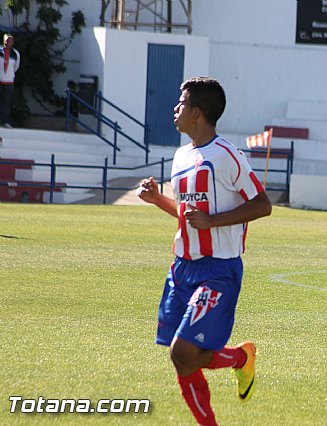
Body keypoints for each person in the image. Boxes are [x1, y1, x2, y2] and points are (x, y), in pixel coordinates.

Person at [137, 77, 272, 425]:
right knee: (182, 358)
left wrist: (213, 221)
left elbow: (262, 204)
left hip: (218, 270)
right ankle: (240, 360)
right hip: (181, 268)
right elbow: (188, 214)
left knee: (183, 350)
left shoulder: (227, 155)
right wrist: (157, 200)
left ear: (197, 112)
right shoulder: (182, 156)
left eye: (181, 104)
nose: (175, 109)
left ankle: (241, 361)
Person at [0, 33, 20, 128]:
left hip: (9, 82)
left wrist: (9, 75)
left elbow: (16, 67)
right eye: (7, 40)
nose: (8, 43)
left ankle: (5, 121)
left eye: (10, 41)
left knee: (6, 102)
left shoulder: (16, 54)